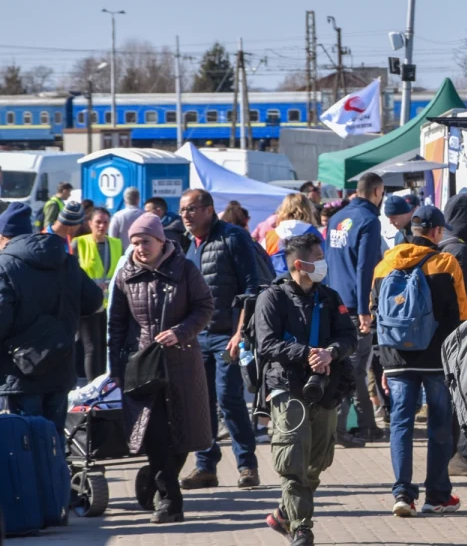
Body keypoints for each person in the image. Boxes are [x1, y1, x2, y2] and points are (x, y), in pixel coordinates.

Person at [108, 213, 213, 523]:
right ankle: (169, 502)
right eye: (135, 242)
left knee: (184, 437)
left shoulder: (185, 269)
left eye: (146, 241)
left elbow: (205, 306)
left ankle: (155, 481)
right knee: (154, 435)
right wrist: (115, 369)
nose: (140, 247)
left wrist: (180, 331)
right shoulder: (125, 275)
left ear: (161, 241)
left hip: (181, 362)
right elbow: (116, 325)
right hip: (143, 366)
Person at [256, 233, 358, 546]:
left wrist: (331, 353)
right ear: (300, 264)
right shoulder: (272, 298)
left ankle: (284, 513)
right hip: (288, 386)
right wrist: (307, 354)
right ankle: (301, 526)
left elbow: (348, 337)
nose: (324, 263)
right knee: (292, 459)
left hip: (325, 386)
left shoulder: (329, 297)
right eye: (318, 257)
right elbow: (267, 343)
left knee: (318, 459)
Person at [373, 205, 467, 517]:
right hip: (437, 359)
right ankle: (438, 495)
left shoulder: (384, 265)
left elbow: (377, 311)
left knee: (400, 423)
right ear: (437, 231)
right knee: (439, 424)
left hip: (396, 357)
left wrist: (383, 362)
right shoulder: (446, 262)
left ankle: (402, 493)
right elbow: (462, 316)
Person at [178, 188, 262, 490]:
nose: (185, 216)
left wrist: (240, 332)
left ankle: (247, 465)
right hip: (198, 337)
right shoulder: (189, 246)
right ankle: (205, 467)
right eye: (182, 210)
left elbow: (251, 287)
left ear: (208, 210)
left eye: (191, 209)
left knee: (229, 397)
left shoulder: (232, 237)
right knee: (201, 402)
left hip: (228, 335)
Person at [0, 202, 104, 433]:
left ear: (3, 237)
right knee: (53, 441)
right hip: (60, 364)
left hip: (20, 373)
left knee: (24, 443)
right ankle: (55, 471)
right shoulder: (65, 260)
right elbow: (94, 300)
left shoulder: (5, 265)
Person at [325, 172, 385, 446]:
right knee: (353, 367)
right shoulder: (369, 221)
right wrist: (365, 309)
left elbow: (328, 260)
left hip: (335, 300)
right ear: (377, 191)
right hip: (355, 304)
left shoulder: (337, 218)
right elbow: (365, 267)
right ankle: (340, 428)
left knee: (354, 366)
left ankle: (365, 425)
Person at [72, 206, 121, 381]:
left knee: (104, 346)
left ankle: (104, 384)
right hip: (89, 303)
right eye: (98, 222)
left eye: (105, 222)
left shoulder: (116, 244)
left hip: (111, 304)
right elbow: (73, 273)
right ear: (90, 223)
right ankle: (93, 386)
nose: (102, 226)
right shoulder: (79, 243)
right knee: (91, 347)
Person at [265, 194, 323, 275]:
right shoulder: (314, 234)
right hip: (308, 282)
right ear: (308, 209)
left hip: (277, 283)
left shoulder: (270, 237)